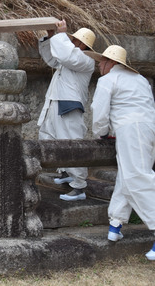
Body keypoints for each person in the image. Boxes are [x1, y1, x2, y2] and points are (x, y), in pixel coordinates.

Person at [86, 45, 155, 261]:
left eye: (101, 61)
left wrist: (102, 133)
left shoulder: (108, 81)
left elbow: (99, 111)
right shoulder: (141, 79)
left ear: (110, 62)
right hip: (148, 129)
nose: (99, 65)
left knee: (137, 178)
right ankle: (115, 224)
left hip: (130, 130)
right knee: (128, 176)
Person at [37, 19, 96, 201]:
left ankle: (79, 187)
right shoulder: (69, 56)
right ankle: (65, 172)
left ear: (83, 44)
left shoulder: (86, 59)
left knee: (72, 143)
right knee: (49, 137)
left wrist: (60, 35)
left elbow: (65, 55)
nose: (71, 42)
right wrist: (50, 37)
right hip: (55, 101)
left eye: (75, 41)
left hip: (68, 104)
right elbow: (51, 58)